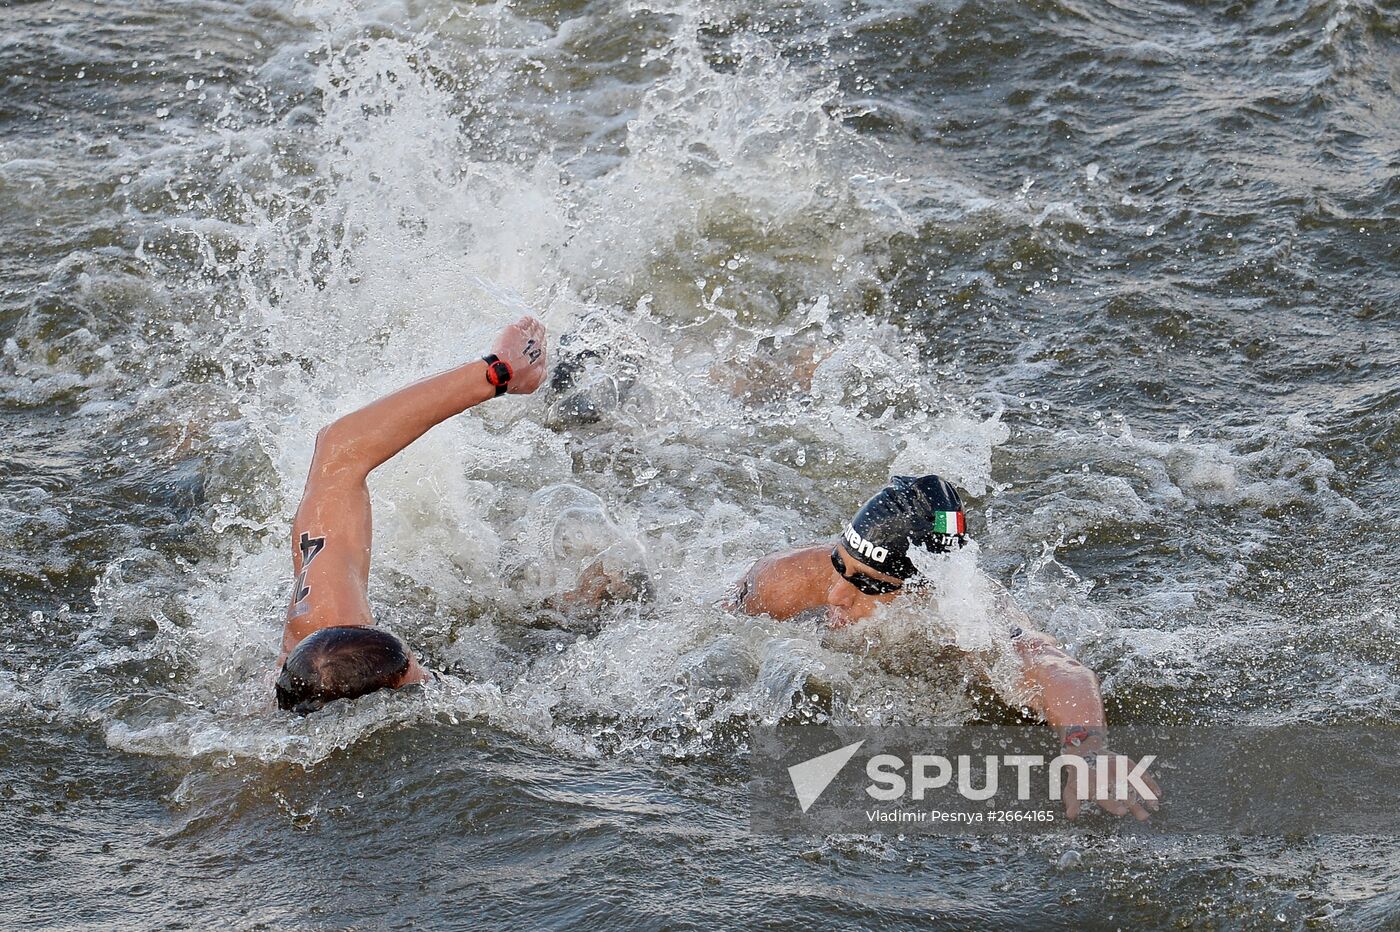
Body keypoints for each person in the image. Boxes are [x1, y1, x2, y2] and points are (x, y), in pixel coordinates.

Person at [732, 474, 1162, 821]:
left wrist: (1086, 751)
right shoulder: (784, 579)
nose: (836, 595)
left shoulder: (966, 622)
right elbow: (712, 634)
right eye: (840, 566)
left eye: (868, 584)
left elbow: (1059, 669)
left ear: (921, 593)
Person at [274, 316, 549, 713]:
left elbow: (340, 450)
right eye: (416, 673)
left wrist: (497, 372)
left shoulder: (311, 638)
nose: (423, 673)